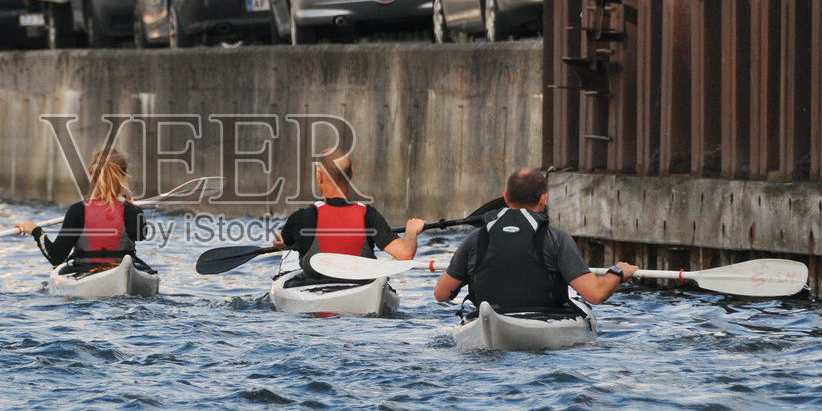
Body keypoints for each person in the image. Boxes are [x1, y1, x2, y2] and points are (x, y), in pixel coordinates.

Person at [434, 167, 637, 309]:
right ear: (544, 198)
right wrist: (617, 272)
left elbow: (441, 295)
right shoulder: (557, 239)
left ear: (505, 197)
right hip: (542, 321)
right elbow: (595, 295)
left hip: (487, 319)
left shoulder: (475, 238)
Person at [272, 148, 425, 274]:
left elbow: (279, 243)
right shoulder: (369, 215)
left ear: (319, 177)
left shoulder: (301, 218)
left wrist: (287, 241)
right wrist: (411, 231)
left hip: (315, 296)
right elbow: (405, 254)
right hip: (361, 294)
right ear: (351, 174)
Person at [16, 148, 151, 270]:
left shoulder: (77, 211)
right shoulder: (132, 211)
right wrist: (133, 207)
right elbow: (141, 235)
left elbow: (55, 257)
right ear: (123, 176)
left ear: (92, 174)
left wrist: (35, 231)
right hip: (120, 271)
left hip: (85, 273)